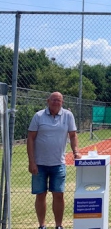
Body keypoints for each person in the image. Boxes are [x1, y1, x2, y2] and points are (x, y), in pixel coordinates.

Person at [27, 92, 82, 229]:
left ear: (62, 102)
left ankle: (59, 225)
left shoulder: (68, 116)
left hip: (59, 163)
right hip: (39, 164)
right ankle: (42, 225)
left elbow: (73, 135)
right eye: (53, 100)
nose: (56, 102)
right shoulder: (38, 116)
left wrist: (76, 151)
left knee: (59, 195)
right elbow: (30, 139)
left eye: (59, 100)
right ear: (48, 101)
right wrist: (31, 162)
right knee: (40, 195)